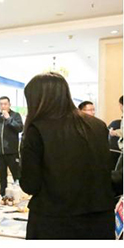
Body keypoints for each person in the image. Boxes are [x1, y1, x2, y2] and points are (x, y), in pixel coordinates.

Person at [19, 72, 115, 239]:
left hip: (54, 222)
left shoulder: (36, 130)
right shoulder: (98, 126)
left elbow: (30, 185)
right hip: (99, 220)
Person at [0, 96, 23, 196]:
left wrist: (9, 119)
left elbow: (20, 128)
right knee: (2, 177)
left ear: (9, 105)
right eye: (1, 104)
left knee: (17, 175)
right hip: (0, 153)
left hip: (12, 152)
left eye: (5, 104)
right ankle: (3, 196)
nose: (3, 106)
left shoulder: (15, 115)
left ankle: (19, 194)